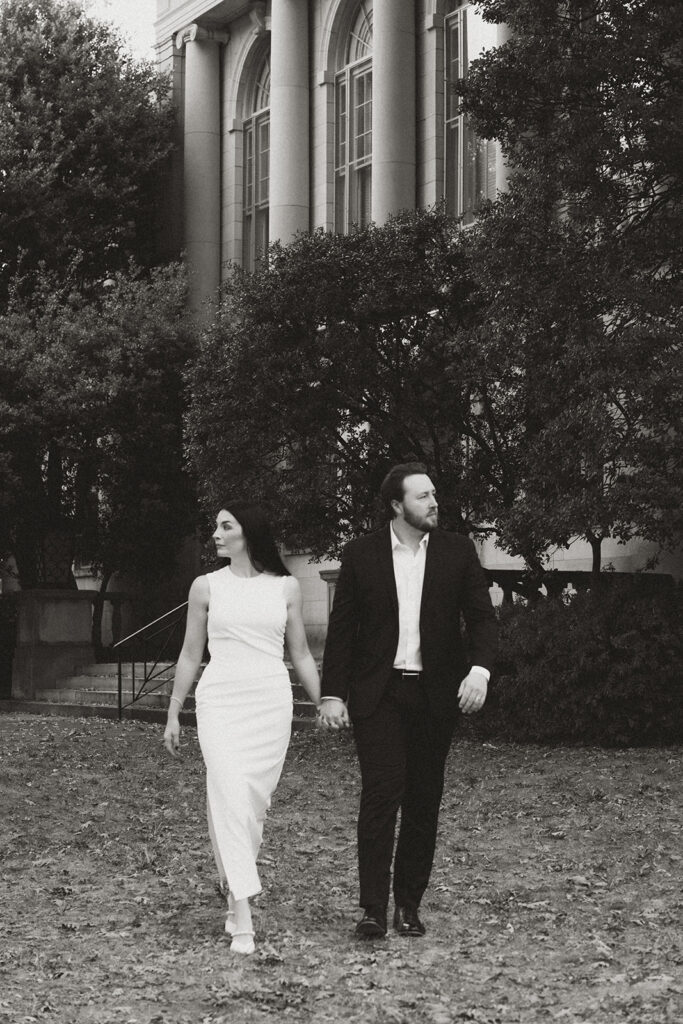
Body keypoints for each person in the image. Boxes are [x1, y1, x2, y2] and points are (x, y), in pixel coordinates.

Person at [319, 463, 497, 940]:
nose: (434, 502)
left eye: (434, 494)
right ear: (397, 505)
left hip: (436, 694)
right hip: (379, 693)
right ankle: (373, 908)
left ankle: (409, 906)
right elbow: (342, 631)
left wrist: (479, 670)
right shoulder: (361, 554)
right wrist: (333, 693)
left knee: (423, 798)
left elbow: (482, 619)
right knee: (382, 793)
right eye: (422, 497)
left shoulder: (459, 551)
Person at [163, 503, 321, 955]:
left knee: (249, 808)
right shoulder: (205, 586)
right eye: (215, 525)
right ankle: (245, 918)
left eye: (225, 526)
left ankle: (234, 896)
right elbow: (191, 654)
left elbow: (303, 655)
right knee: (229, 792)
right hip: (220, 701)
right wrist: (175, 711)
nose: (215, 533)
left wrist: (326, 701)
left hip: (270, 704)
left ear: (247, 532)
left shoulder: (287, 588)